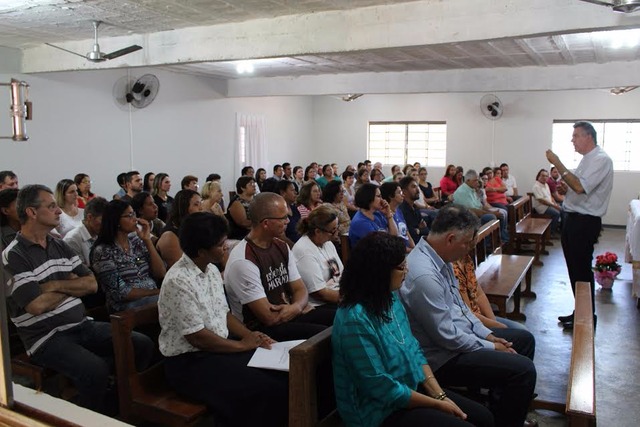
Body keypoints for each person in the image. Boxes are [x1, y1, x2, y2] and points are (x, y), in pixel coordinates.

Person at [3, 185, 153, 414]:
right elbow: (35, 305)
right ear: (32, 212)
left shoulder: (58, 245)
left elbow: (92, 284)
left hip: (81, 324)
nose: (58, 212)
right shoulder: (13, 255)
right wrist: (73, 284)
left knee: (142, 344)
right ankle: (85, 415)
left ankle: (110, 403)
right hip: (46, 336)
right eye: (52, 206)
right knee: (95, 370)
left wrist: (52, 285)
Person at [332, 232, 494, 427]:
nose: (407, 271)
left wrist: (439, 394)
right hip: (378, 412)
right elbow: (381, 387)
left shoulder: (389, 299)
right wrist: (437, 404)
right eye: (401, 267)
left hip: (408, 389)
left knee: (484, 417)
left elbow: (414, 350)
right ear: (378, 272)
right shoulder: (354, 319)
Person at [398, 206, 537, 427]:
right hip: (441, 357)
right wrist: (490, 346)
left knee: (524, 340)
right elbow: (446, 337)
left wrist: (488, 336)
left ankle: (504, 407)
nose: (469, 249)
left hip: (456, 338)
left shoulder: (440, 258)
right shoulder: (424, 275)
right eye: (468, 243)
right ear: (451, 238)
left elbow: (461, 309)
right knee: (523, 371)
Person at [158, 212, 287, 427]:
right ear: (201, 251)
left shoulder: (209, 269)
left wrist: (251, 336)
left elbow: (223, 313)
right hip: (190, 362)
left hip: (217, 350)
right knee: (262, 389)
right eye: (219, 245)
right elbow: (197, 337)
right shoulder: (178, 280)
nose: (225, 247)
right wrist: (241, 345)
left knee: (280, 377)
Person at [224, 193, 333, 341]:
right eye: (283, 218)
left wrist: (296, 307)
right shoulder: (244, 260)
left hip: (289, 313)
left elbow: (300, 289)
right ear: (266, 223)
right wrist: (299, 307)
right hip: (261, 330)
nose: (288, 221)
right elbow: (268, 317)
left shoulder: (281, 246)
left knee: (341, 317)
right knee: (325, 336)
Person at [546, 121, 614, 328]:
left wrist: (557, 162)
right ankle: (580, 311)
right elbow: (576, 187)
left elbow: (580, 186)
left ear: (588, 137)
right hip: (573, 217)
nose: (572, 140)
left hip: (584, 222)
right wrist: (567, 189)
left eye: (576, 136)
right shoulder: (587, 159)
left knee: (582, 270)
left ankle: (586, 317)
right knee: (574, 269)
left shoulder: (601, 159)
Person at [91, 200, 165, 313]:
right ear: (116, 220)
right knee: (171, 299)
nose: (135, 219)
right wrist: (159, 292)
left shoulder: (135, 241)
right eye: (129, 215)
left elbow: (160, 273)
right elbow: (122, 293)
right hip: (126, 307)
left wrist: (147, 241)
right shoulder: (102, 251)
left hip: (152, 297)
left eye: (134, 214)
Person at [453, 254, 528, 330]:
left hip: (479, 316)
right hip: (472, 326)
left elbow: (479, 294)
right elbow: (468, 314)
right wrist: (497, 326)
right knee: (523, 335)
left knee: (522, 329)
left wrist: (493, 321)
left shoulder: (466, 258)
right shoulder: (453, 269)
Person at [293, 205, 342, 308]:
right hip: (319, 305)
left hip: (337, 295)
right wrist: (350, 298)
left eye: (337, 227)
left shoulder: (327, 243)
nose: (337, 233)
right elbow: (320, 293)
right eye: (333, 230)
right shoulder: (304, 250)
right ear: (318, 232)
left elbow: (341, 273)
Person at [156, 189, 203, 268]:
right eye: (196, 204)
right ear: (184, 207)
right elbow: (181, 268)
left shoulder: (194, 228)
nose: (201, 208)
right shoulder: (170, 236)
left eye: (201, 204)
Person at [348, 183, 398, 248]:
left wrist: (388, 215)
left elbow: (394, 235)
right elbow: (380, 246)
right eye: (378, 196)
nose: (382, 200)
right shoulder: (360, 222)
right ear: (369, 197)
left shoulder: (377, 214)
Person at [64, 196, 108, 266]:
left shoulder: (100, 235)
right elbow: (81, 272)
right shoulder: (72, 240)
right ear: (89, 217)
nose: (107, 224)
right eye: (103, 220)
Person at [380, 181, 414, 251]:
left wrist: (414, 247)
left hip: (408, 250)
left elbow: (406, 233)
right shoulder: (384, 215)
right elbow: (393, 240)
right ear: (391, 196)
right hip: (399, 251)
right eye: (399, 193)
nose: (403, 195)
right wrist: (411, 250)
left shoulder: (398, 210)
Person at [398, 176, 430, 244]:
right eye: (413, 187)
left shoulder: (415, 207)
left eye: (417, 186)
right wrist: (419, 229)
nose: (418, 190)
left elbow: (425, 229)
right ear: (404, 192)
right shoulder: (402, 210)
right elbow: (412, 235)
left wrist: (418, 230)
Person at [531, 169, 562, 237]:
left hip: (549, 205)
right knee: (557, 214)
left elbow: (550, 196)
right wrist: (554, 206)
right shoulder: (536, 186)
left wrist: (555, 204)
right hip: (542, 208)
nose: (544, 178)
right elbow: (542, 201)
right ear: (538, 176)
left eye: (546, 176)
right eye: (543, 176)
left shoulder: (546, 185)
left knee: (562, 210)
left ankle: (559, 230)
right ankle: (550, 234)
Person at [277, 179, 301, 245]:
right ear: (283, 193)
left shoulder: (294, 209)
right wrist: (296, 248)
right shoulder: (277, 212)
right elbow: (282, 237)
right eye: (292, 190)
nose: (296, 192)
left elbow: (301, 227)